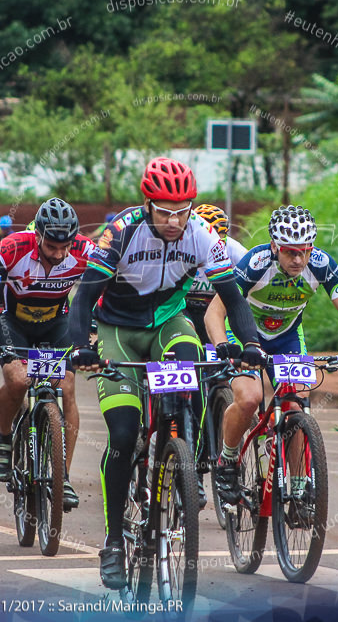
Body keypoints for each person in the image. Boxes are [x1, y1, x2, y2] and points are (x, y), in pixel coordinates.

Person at [67, 158, 264, 590]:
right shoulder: (120, 233)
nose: (175, 220)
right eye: (165, 211)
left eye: (183, 209)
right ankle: (114, 541)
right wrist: (82, 347)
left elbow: (233, 296)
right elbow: (84, 298)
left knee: (191, 360)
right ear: (146, 204)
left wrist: (250, 344)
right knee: (122, 434)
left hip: (168, 324)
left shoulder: (201, 234)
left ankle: (183, 460)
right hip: (118, 331)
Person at [205, 205, 338, 513]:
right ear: (275, 246)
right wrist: (224, 345)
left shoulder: (321, 264)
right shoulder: (255, 263)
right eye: (291, 252)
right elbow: (216, 311)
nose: (298, 260)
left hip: (287, 337)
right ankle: (227, 460)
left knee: (296, 402)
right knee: (250, 397)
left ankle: (298, 488)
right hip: (245, 333)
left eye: (304, 251)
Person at [0, 198, 93, 511]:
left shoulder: (84, 250)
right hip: (11, 318)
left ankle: (64, 476)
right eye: (52, 246)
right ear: (39, 236)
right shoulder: (14, 246)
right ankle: (5, 436)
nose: (59, 253)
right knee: (19, 380)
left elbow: (105, 289)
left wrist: (93, 333)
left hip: (56, 320)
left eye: (65, 246)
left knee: (68, 388)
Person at [185, 204, 249, 345]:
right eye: (214, 234)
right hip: (185, 308)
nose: (219, 242)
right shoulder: (184, 246)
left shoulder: (234, 249)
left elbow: (251, 276)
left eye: (223, 235)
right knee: (189, 337)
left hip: (215, 309)